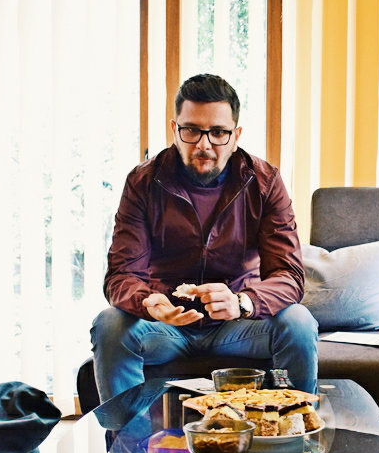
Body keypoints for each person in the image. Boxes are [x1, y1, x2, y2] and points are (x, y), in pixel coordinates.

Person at [91, 74, 318, 402]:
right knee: (110, 323)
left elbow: (289, 276)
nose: (204, 144)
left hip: (239, 327)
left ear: (235, 136)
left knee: (298, 321)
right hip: (165, 327)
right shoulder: (143, 182)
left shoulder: (265, 182)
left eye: (218, 132)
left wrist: (242, 302)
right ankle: (127, 434)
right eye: (192, 130)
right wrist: (147, 303)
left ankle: (292, 426)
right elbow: (121, 274)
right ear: (175, 130)